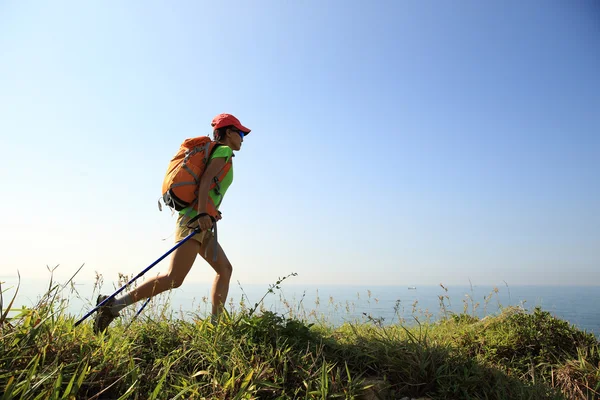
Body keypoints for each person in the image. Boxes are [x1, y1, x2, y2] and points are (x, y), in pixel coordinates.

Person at [93, 113, 251, 334]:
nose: (243, 137)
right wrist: (203, 213)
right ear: (228, 133)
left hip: (203, 220)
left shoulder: (220, 153)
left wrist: (212, 212)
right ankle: (112, 305)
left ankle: (216, 330)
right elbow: (205, 181)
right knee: (174, 278)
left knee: (224, 269)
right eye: (241, 132)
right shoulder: (223, 151)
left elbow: (208, 188)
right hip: (195, 220)